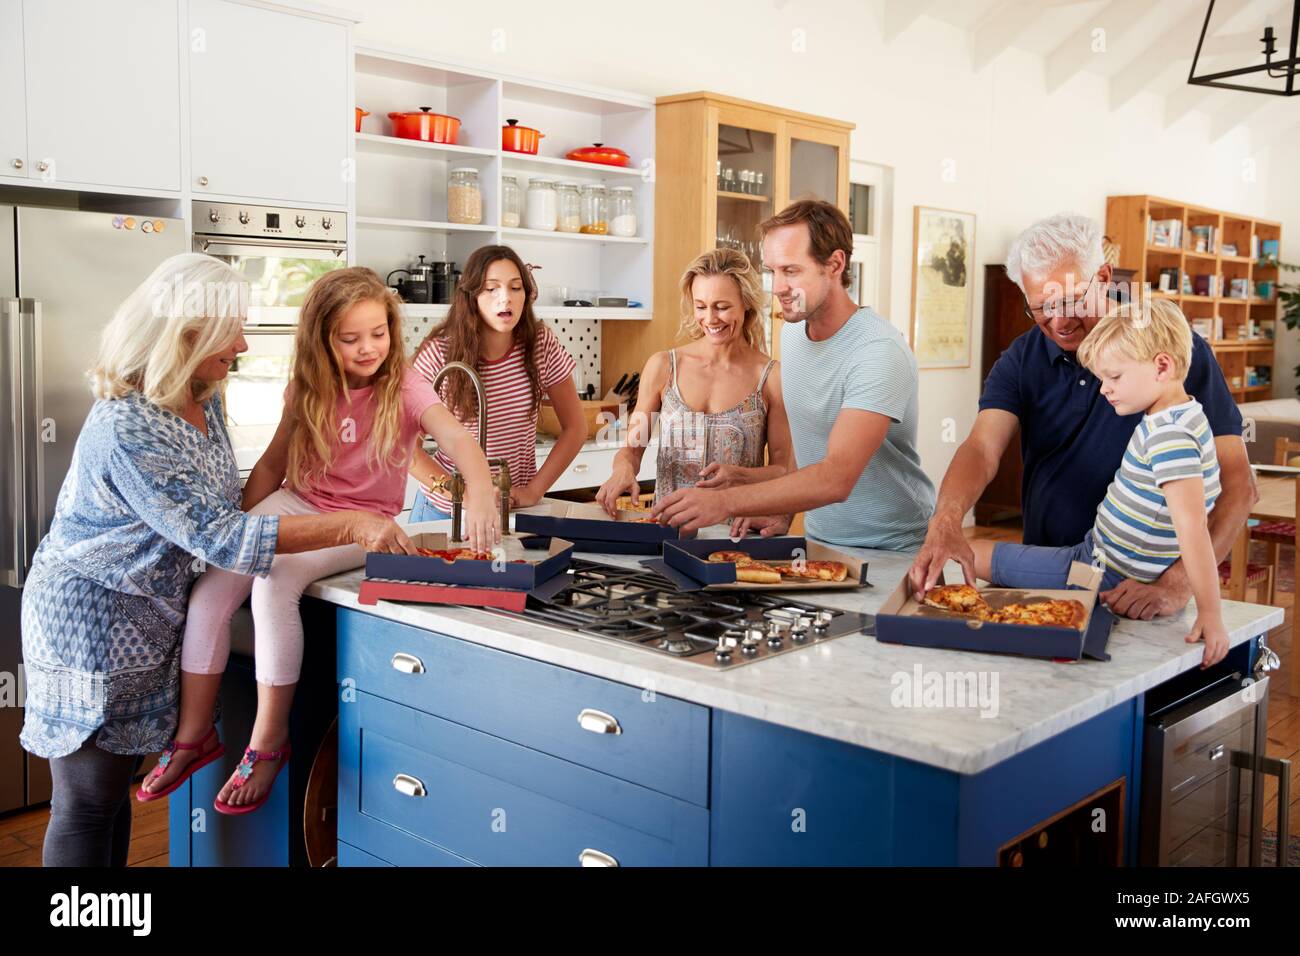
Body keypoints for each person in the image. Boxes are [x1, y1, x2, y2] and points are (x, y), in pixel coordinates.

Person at [21, 254, 414, 865]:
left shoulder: (201, 395)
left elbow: (222, 495)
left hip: (148, 623)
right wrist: (354, 522)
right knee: (87, 802)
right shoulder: (129, 427)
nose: (243, 343)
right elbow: (222, 536)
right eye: (230, 330)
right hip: (91, 626)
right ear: (185, 336)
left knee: (112, 799)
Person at [142, 267, 498, 814]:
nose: (368, 348)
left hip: (364, 522)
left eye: (378, 333)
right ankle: (194, 735)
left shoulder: (404, 385)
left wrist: (479, 491)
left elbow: (459, 441)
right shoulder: (306, 388)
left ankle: (267, 741)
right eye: (350, 338)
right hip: (297, 502)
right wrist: (231, 533)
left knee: (274, 584)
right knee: (213, 589)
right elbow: (272, 466)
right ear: (321, 339)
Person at [908, 213, 1255, 619]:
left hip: (1144, 597)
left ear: (1104, 277)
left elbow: (1239, 484)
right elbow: (982, 448)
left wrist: (1177, 585)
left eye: (1071, 300)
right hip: (1046, 577)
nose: (1059, 321)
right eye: (1041, 307)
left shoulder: (1173, 352)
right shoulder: (1022, 358)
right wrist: (947, 517)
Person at [653, 200, 936, 551]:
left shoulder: (878, 352)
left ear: (834, 264)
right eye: (772, 272)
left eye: (791, 271)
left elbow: (836, 477)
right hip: (818, 541)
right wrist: (781, 507)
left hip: (893, 549)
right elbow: (810, 439)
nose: (777, 288)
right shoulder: (793, 334)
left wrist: (725, 502)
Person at [965, 300, 1228, 668]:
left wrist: (1210, 613)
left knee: (972, 554)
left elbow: (1193, 528)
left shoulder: (1170, 436)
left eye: (1114, 377)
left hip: (1095, 569)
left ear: (1162, 366)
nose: (1104, 389)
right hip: (1100, 554)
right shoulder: (1186, 414)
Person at [595, 248, 792, 515]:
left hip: (738, 534)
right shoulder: (663, 367)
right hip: (668, 529)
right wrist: (623, 469)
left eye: (722, 307)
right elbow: (632, 448)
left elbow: (784, 470)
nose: (710, 319)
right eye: (701, 306)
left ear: (746, 303)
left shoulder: (770, 377)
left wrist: (742, 476)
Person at [409, 245, 585, 520]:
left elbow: (576, 428)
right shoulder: (438, 354)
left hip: (512, 510)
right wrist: (464, 495)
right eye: (492, 288)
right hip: (445, 513)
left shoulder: (540, 345)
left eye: (516, 288)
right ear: (472, 295)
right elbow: (405, 448)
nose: (506, 298)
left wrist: (533, 491)